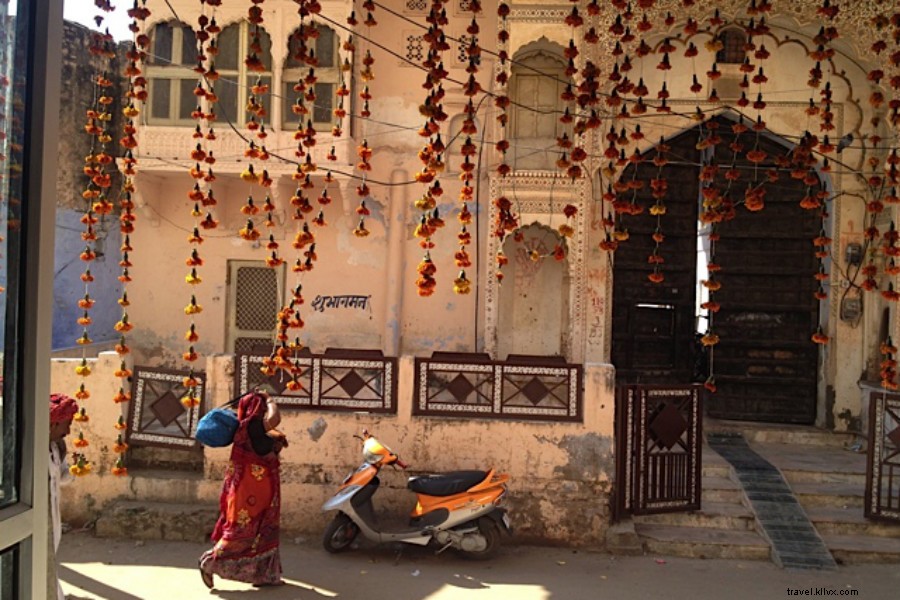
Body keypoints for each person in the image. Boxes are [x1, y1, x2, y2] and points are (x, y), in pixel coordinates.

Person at [199, 391, 288, 589]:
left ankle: (264, 575)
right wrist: (269, 399)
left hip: (256, 490)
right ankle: (209, 562)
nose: (263, 411)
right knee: (242, 532)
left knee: (262, 531)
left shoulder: (246, 430)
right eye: (260, 408)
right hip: (252, 493)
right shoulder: (251, 426)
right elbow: (275, 418)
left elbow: (266, 437)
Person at [49, 393, 79, 600]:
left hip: (52, 516)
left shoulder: (56, 448)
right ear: (53, 424)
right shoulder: (28, 448)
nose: (68, 431)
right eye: (66, 425)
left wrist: (76, 468)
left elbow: (62, 479)